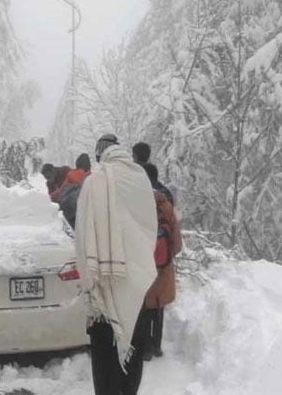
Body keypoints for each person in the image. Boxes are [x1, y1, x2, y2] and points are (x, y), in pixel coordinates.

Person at [76, 134, 158, 395]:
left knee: (104, 358)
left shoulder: (94, 182)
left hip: (102, 288)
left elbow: (82, 237)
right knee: (132, 348)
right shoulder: (140, 180)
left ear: (101, 155)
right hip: (136, 284)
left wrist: (88, 280)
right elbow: (149, 229)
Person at [141, 163, 182, 361]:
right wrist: (168, 257)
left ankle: (144, 347)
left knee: (143, 306)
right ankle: (156, 346)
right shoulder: (166, 204)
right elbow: (177, 240)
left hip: (143, 263)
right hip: (163, 264)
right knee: (158, 306)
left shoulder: (136, 203)